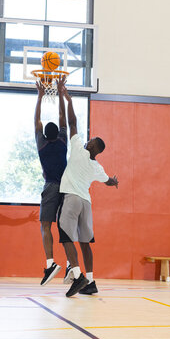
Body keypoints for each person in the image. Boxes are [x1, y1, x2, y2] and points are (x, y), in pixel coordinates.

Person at [57, 84, 119, 297]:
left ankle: (77, 274)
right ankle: (91, 282)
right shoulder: (97, 167)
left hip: (72, 199)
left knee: (65, 236)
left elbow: (71, 122)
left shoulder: (78, 149)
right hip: (86, 203)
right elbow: (108, 181)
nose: (87, 140)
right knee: (85, 243)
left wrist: (68, 99)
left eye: (91, 140)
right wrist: (114, 181)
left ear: (93, 147)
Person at [34, 77, 71, 286]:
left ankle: (51, 263)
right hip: (66, 188)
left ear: (44, 134)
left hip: (51, 187)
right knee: (64, 228)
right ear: (58, 133)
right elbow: (61, 116)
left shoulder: (41, 144)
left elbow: (36, 119)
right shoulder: (63, 141)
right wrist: (59, 93)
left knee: (45, 225)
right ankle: (71, 266)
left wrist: (40, 97)